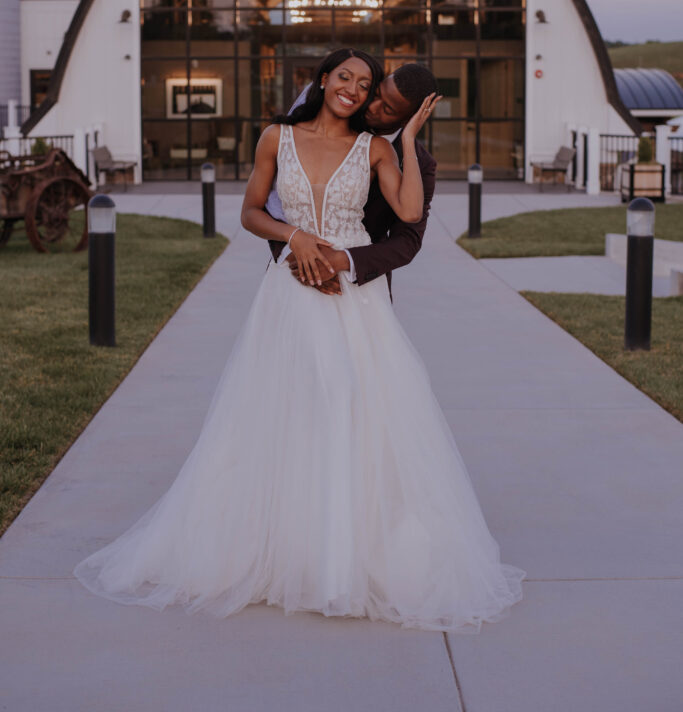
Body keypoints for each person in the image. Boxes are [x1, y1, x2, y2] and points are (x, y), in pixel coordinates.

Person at [74, 47, 525, 633]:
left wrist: (405, 143)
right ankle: (280, 543)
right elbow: (252, 211)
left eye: (369, 88)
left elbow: (410, 223)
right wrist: (298, 245)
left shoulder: (382, 147)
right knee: (283, 410)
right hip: (288, 294)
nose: (359, 92)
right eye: (349, 78)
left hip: (355, 301)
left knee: (349, 405)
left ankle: (344, 555)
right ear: (323, 79)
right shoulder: (274, 137)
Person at [267, 61, 439, 300]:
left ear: (409, 119)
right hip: (294, 273)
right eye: (376, 94)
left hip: (358, 288)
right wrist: (296, 255)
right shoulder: (328, 117)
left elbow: (407, 242)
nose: (372, 107)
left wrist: (342, 261)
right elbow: (276, 200)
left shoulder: (420, 164)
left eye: (387, 110)